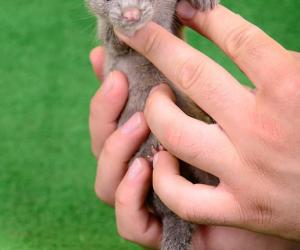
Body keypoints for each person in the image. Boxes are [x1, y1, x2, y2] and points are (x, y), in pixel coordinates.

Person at [89, 1, 300, 249]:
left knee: (185, 161)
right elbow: (115, 42)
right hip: (142, 120)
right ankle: (175, 212)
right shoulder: (113, 23)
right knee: (156, 172)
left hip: (184, 126)